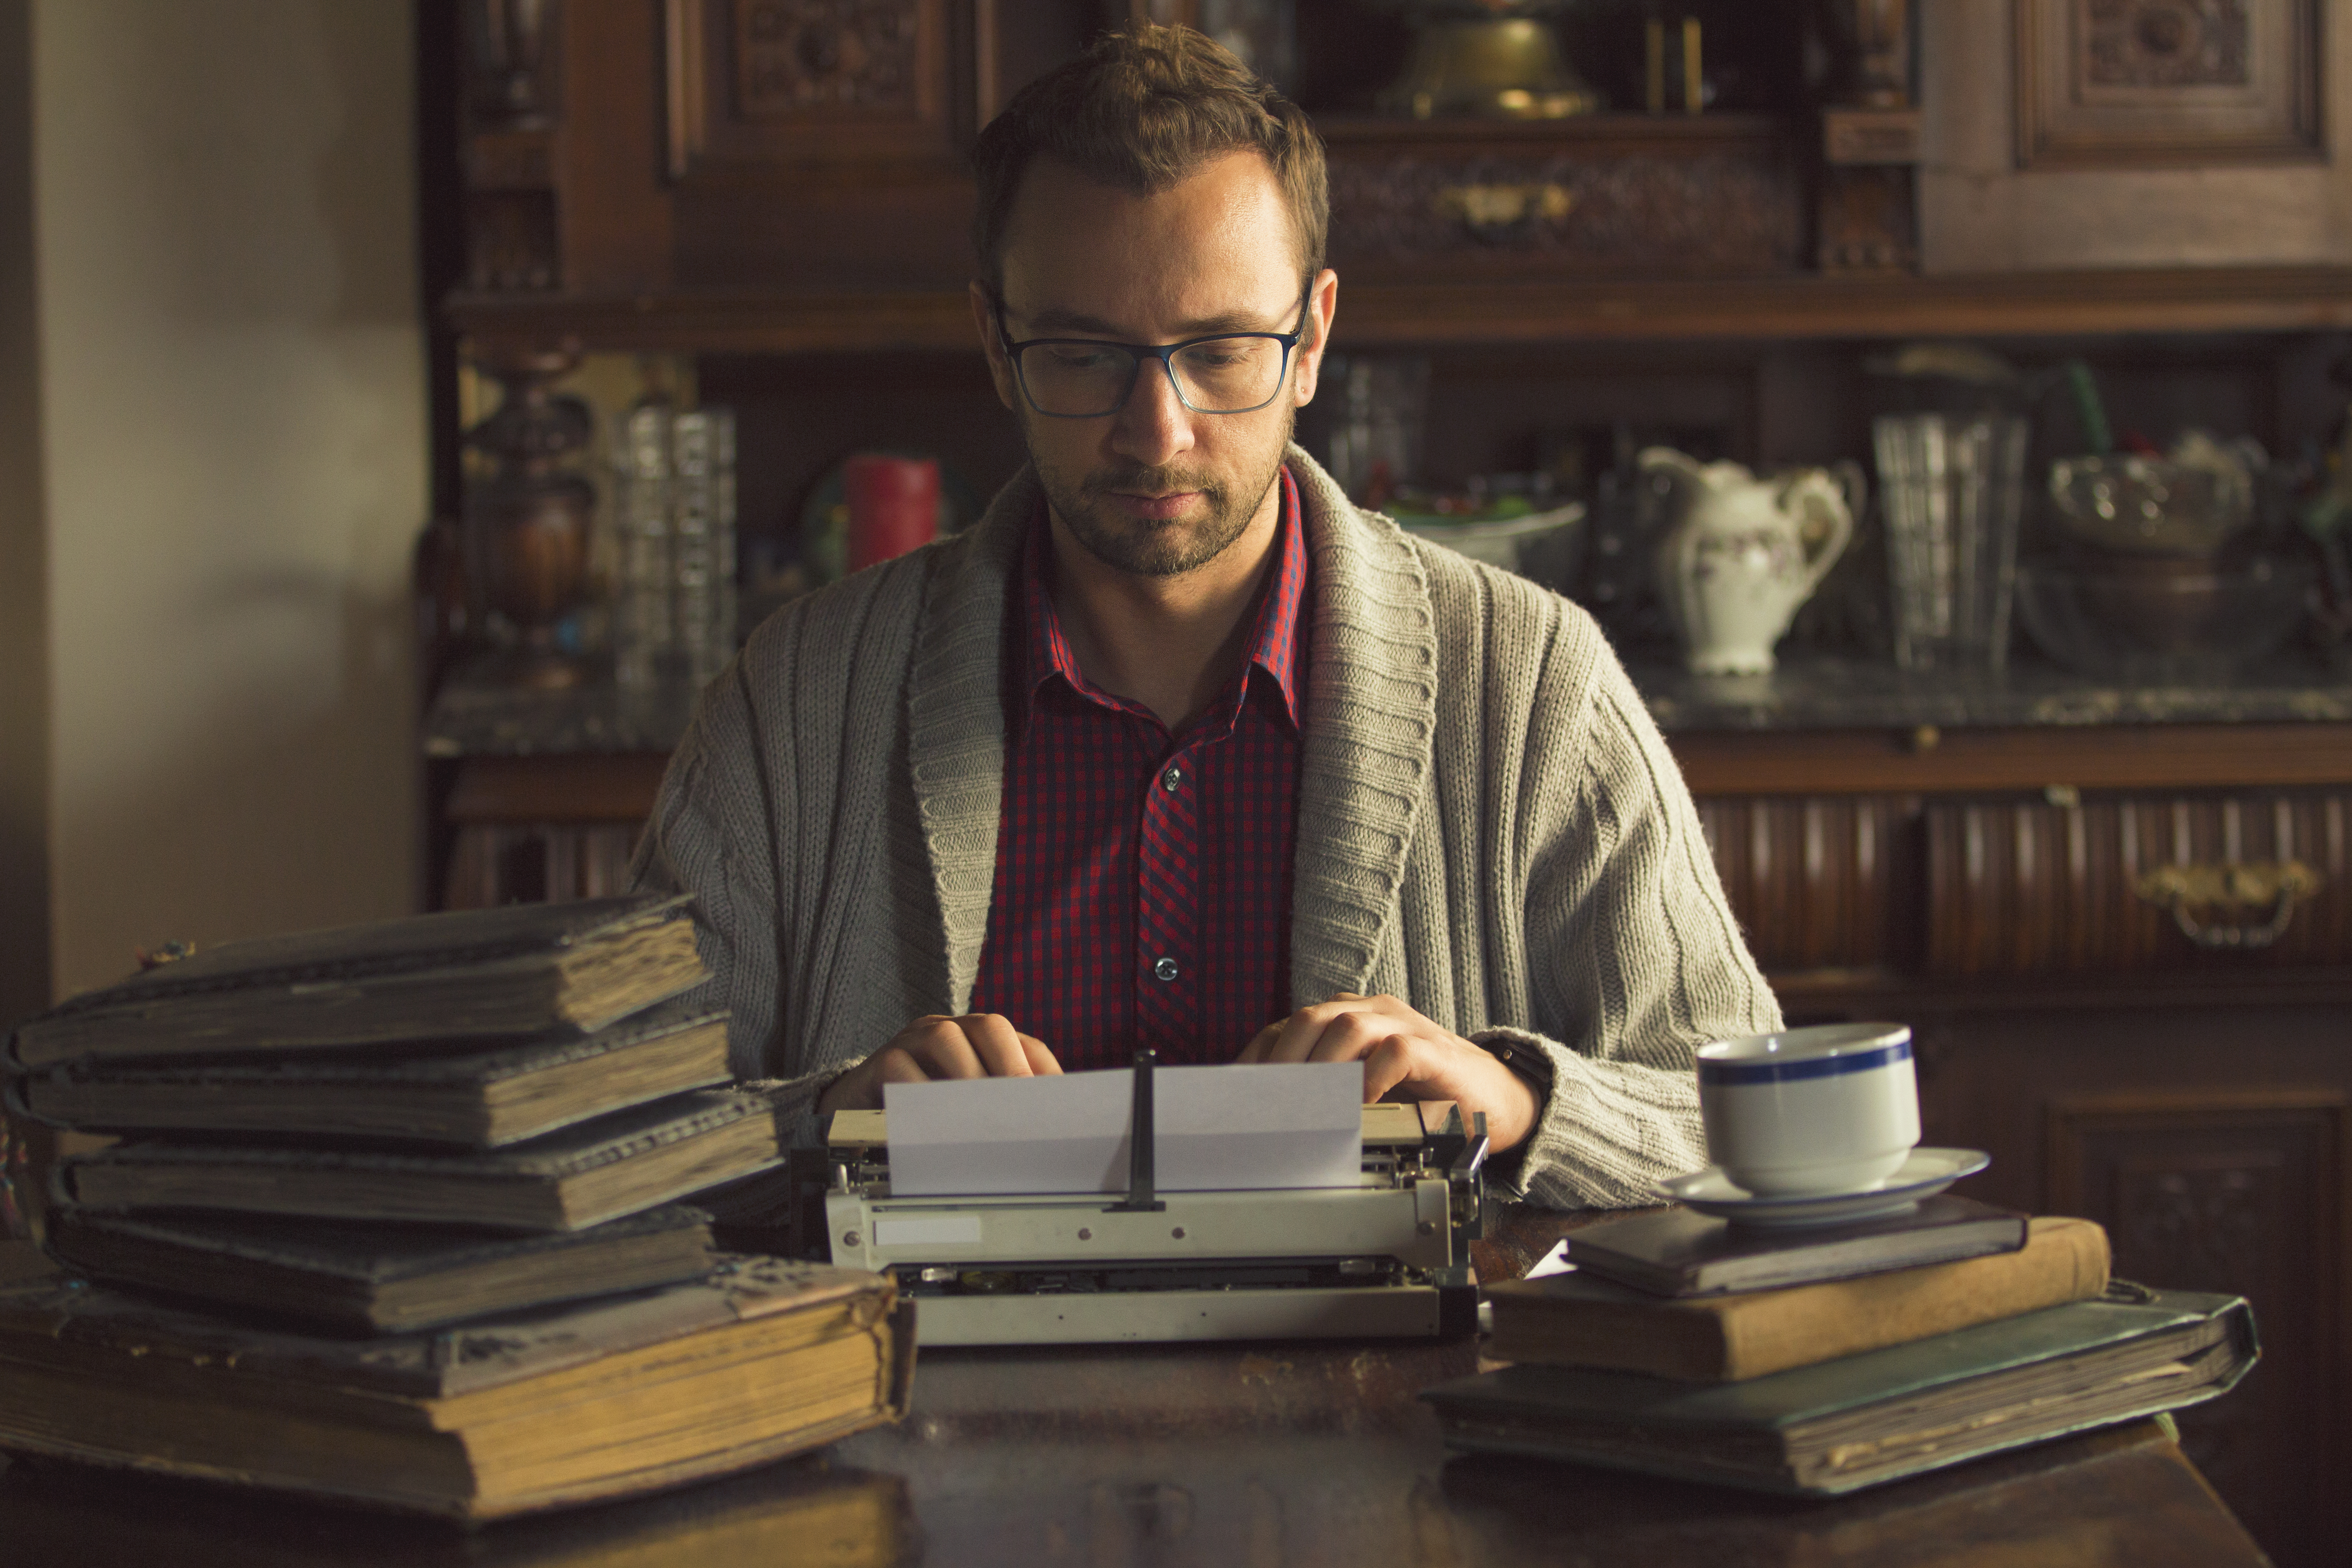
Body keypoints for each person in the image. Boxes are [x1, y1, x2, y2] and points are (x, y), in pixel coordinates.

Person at [631, 24, 1779, 1210]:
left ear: (1314, 336)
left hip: (1410, 1397)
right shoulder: (797, 699)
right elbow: (599, 1148)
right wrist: (828, 1126)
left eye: (1225, 352)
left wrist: (1517, 1101)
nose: (1158, 432)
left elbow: (1745, 1124)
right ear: (995, 343)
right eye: (1082, 356)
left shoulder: (1534, 684)